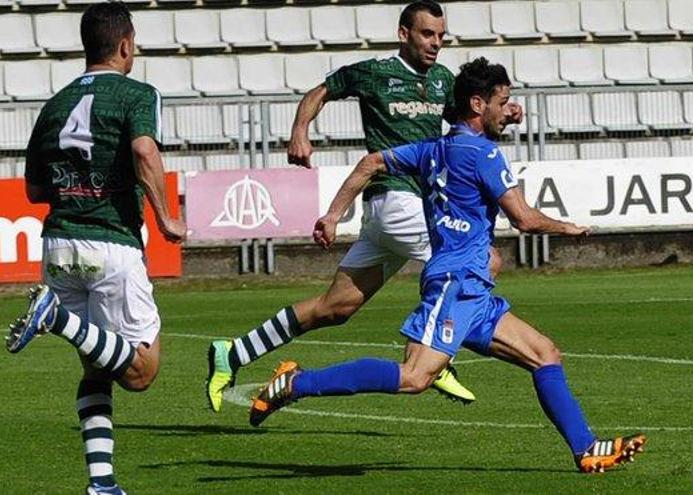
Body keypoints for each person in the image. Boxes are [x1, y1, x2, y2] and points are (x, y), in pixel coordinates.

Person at [247, 58, 646, 474]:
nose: (509, 111)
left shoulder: (432, 149)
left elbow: (370, 164)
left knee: (544, 354)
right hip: (456, 284)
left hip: (473, 289)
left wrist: (334, 214)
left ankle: (586, 449)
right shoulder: (484, 154)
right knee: (415, 377)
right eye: (503, 102)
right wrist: (568, 228)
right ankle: (296, 384)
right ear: (478, 104)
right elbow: (524, 219)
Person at [206, 0, 522, 411]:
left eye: (441, 36)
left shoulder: (444, 80)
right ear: (403, 33)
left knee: (335, 307)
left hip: (399, 215)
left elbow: (465, 126)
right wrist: (300, 130)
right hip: (395, 199)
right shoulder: (375, 73)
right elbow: (320, 92)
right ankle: (433, 351)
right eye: (427, 34)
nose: (436, 44)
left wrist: (504, 113)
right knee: (484, 259)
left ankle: (231, 352)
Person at [6, 3, 185, 494]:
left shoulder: (55, 104)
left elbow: (35, 192)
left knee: (98, 363)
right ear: (126, 45)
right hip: (110, 245)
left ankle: (101, 484)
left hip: (59, 245)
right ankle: (54, 318)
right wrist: (165, 216)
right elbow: (145, 150)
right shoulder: (136, 93)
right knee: (142, 371)